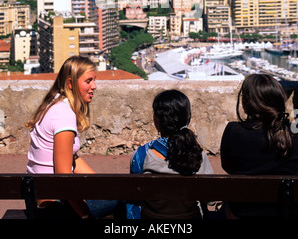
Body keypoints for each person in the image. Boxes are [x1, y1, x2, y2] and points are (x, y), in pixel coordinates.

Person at [26, 55, 118, 219]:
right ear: (70, 84)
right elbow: (64, 178)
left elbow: (73, 160)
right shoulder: (63, 116)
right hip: (53, 207)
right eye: (88, 81)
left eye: (94, 80)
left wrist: (103, 185)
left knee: (115, 192)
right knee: (126, 199)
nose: (94, 86)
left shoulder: (54, 104)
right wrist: (84, 215)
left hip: (40, 196)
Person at [220, 73, 298, 219]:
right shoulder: (293, 137)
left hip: (242, 213)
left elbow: (228, 167)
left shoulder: (233, 131)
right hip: (284, 213)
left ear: (246, 103)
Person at [127, 89, 214, 220]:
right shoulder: (198, 155)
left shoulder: (141, 155)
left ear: (157, 120)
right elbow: (211, 199)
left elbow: (135, 196)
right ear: (187, 118)